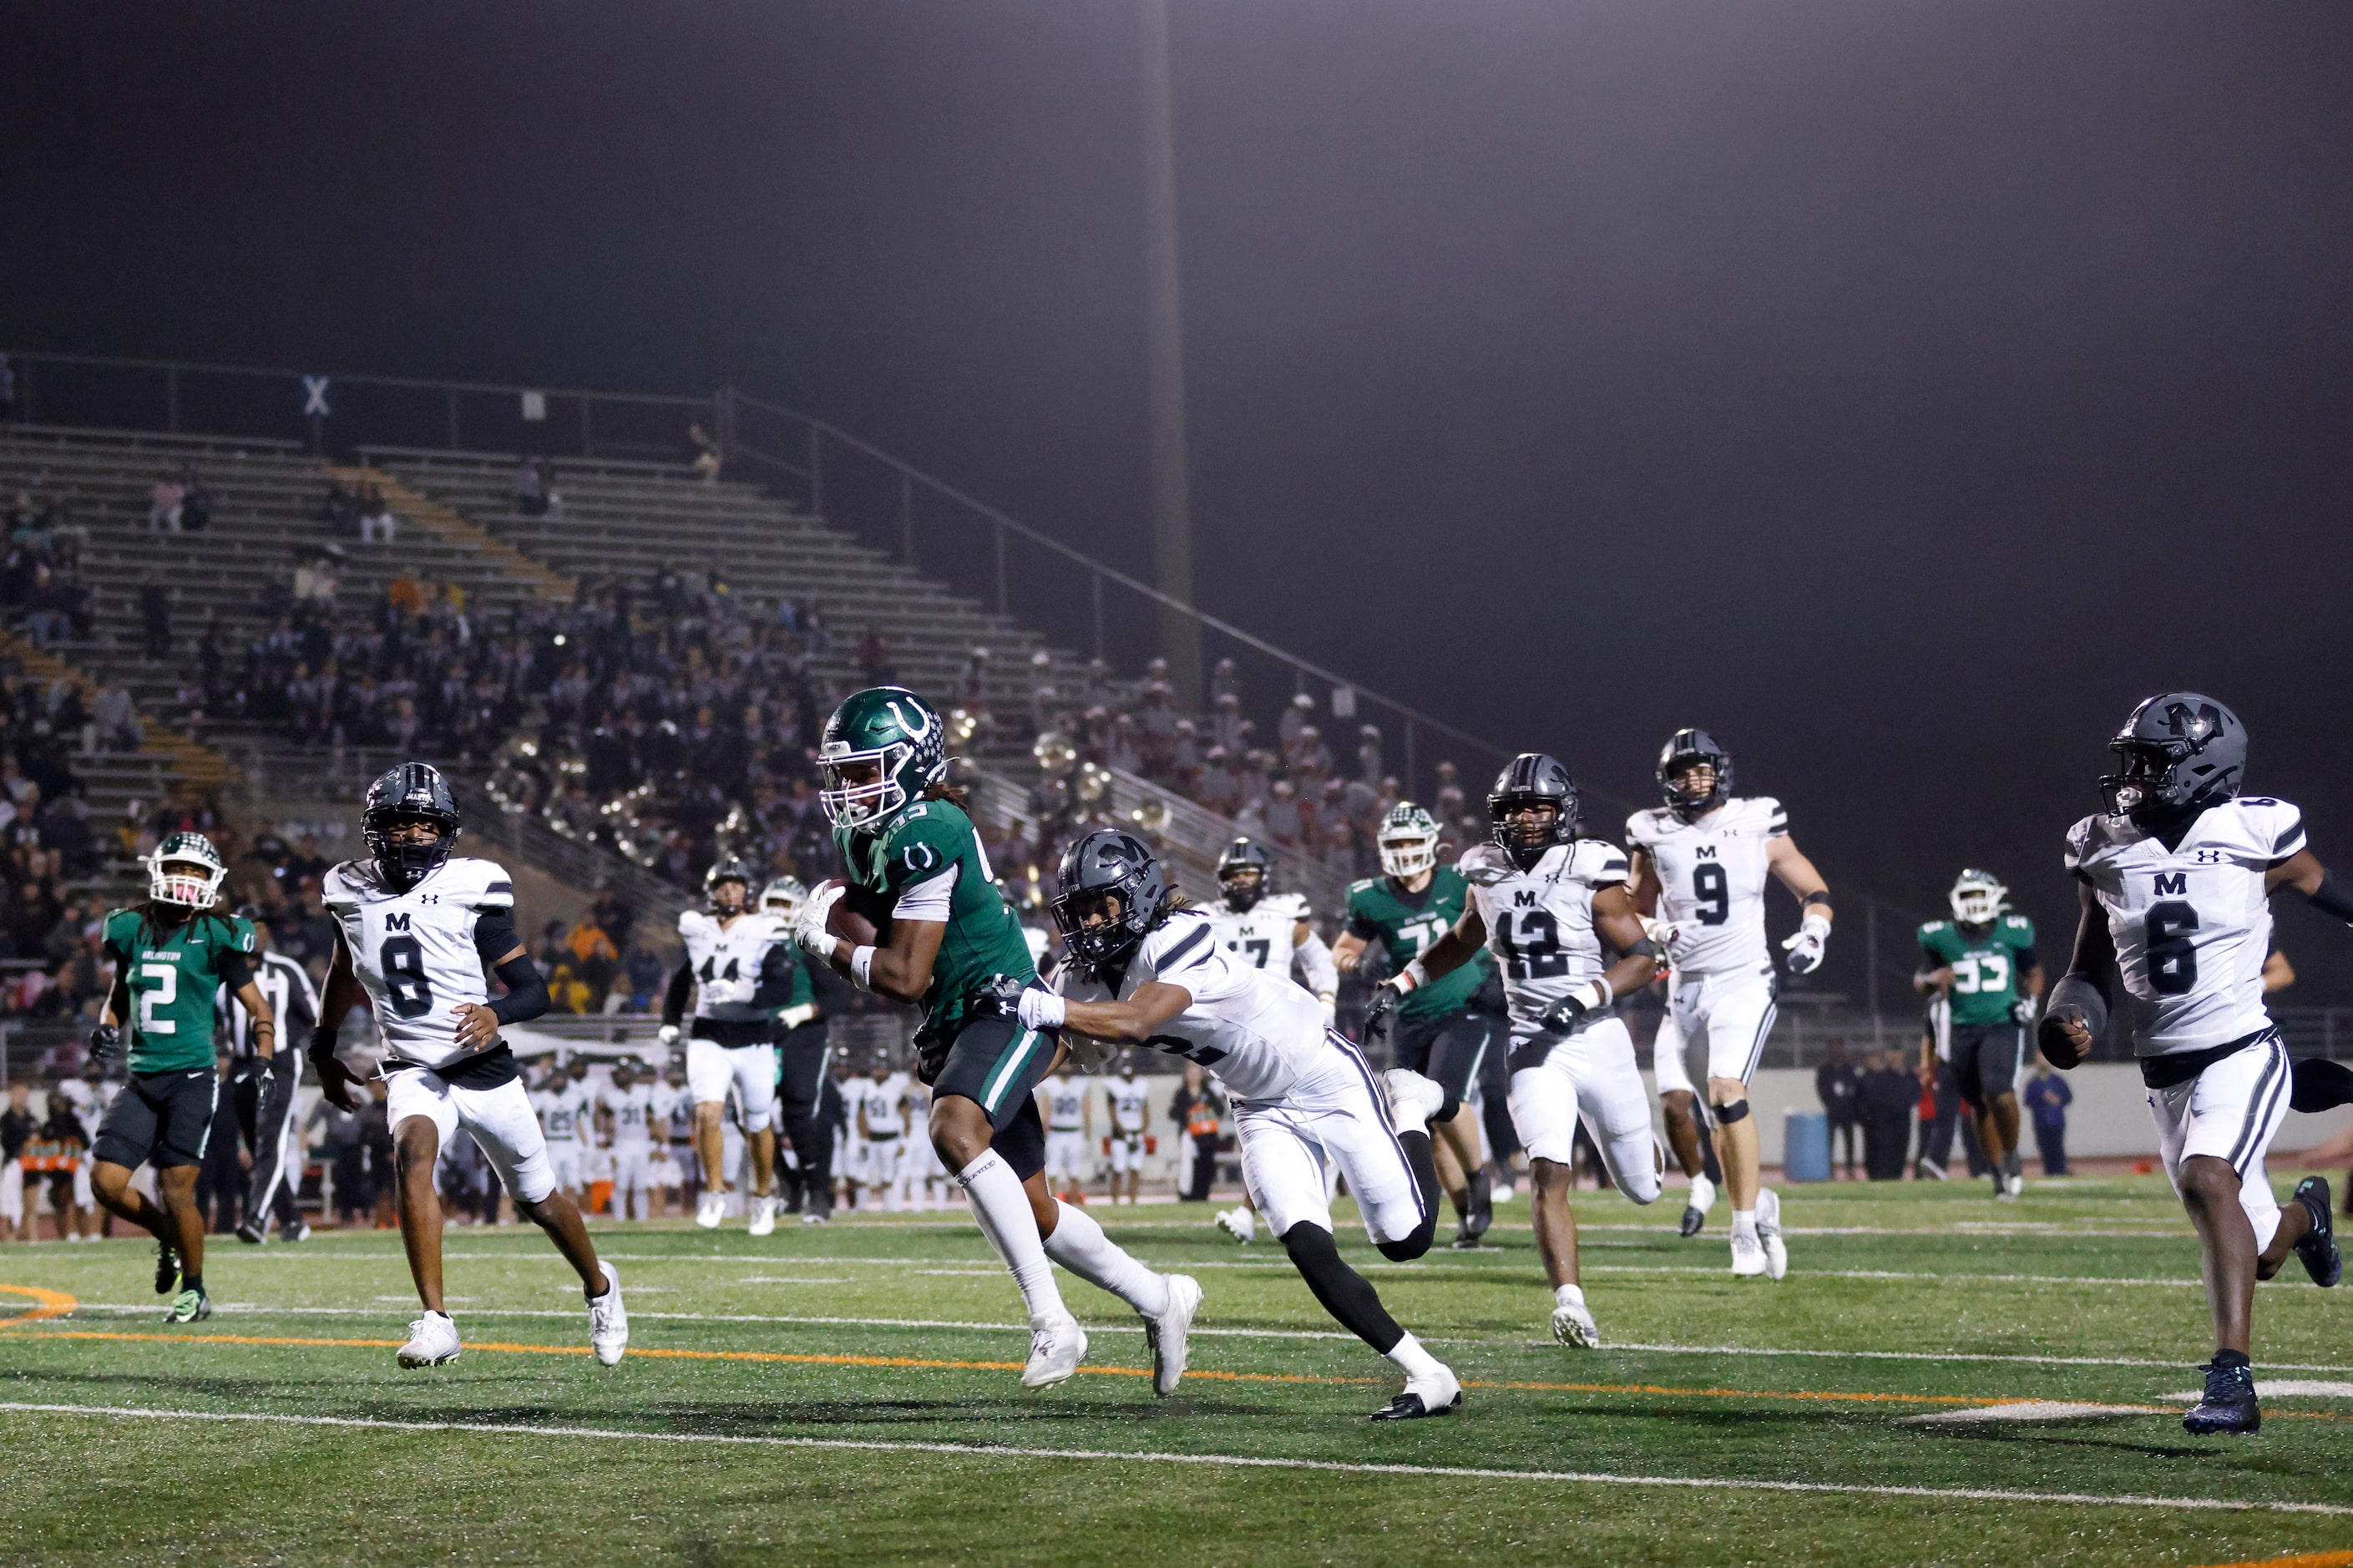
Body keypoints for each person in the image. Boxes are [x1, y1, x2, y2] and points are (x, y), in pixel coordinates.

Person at [788, 685, 1197, 1392]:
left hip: (1006, 1006)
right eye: (844, 773)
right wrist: (843, 915)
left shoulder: (930, 829)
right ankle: (1161, 1297)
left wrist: (824, 944)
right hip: (954, 1020)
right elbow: (893, 947)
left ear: (913, 763)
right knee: (1035, 1212)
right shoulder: (865, 832)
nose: (851, 789)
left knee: (954, 1130)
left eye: (865, 770)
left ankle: (1053, 1322)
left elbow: (905, 974)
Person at [1020, 828, 1458, 1419]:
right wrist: (1001, 1075)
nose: (1094, 923)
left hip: (1323, 1071)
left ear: (1140, 895)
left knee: (1407, 1241)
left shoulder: (1181, 932)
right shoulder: (1079, 978)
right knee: (1306, 1243)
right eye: (1081, 911)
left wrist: (1043, 1006)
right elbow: (1068, 1046)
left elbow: (1138, 1019)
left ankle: (1410, 1106)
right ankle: (1429, 1373)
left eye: (1106, 905)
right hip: (1257, 1103)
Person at [2038, 694, 2343, 1435]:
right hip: (2164, 1074)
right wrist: (2064, 1022)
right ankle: (2308, 1214)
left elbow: (2325, 889)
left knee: (2210, 1181)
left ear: (2204, 766)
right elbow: (2088, 971)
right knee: (2260, 1251)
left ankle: (2231, 1382)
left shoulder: (2254, 829)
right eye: (2132, 761)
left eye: (2151, 761)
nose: (2134, 777)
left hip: (2243, 1048)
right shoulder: (2102, 844)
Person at [308, 762, 626, 1370]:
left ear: (446, 830)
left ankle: (600, 1287)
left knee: (539, 1201)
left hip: (481, 1065)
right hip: (411, 1066)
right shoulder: (346, 888)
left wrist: (495, 1013)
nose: (410, 836)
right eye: (399, 824)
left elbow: (535, 992)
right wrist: (322, 1049)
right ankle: (437, 1320)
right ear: (376, 829)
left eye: (424, 825)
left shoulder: (472, 885)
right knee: (412, 1154)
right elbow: (344, 969)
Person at [1364, 754, 1664, 1348]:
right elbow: (1462, 939)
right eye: (1516, 809)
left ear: (1562, 812)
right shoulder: (1484, 870)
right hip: (1532, 1043)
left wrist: (1584, 997)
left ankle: (1637, 1145)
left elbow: (1642, 957)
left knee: (1643, 1189)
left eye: (1539, 807)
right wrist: (1402, 984)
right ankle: (1570, 1302)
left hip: (1597, 1036)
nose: (1527, 819)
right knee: (1547, 1169)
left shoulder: (1590, 865)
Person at [1627, 729, 1829, 1276]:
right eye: (1682, 771)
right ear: (1666, 780)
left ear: (1720, 773)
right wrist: (1654, 931)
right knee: (1712, 1112)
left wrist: (1814, 933)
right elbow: (1634, 910)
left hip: (1743, 980)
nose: (1693, 780)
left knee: (1725, 1090)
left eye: (1702, 769)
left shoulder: (1758, 817)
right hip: (1685, 989)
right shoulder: (1650, 829)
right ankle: (1760, 1203)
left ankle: (1741, 1231)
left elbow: (1813, 889)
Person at [87, 832, 277, 1321]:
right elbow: (119, 995)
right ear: (157, 871)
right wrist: (107, 1027)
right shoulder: (129, 928)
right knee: (106, 1184)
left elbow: (257, 1006)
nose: (185, 878)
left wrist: (264, 1057)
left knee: (176, 1190)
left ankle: (195, 1290)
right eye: (177, 867)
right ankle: (167, 1235)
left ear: (211, 879)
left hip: (191, 1076)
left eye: (195, 870)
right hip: (141, 1077)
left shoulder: (218, 934)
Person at [1333, 802, 1505, 1248]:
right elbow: (1343, 949)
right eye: (1396, 844)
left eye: (1412, 841)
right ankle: (1468, 1214)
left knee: (1446, 1094)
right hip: (1409, 1015)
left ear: (1431, 842)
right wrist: (1356, 963)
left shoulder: (1458, 881)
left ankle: (1480, 1176)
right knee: (1422, 1124)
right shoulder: (1370, 896)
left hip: (1463, 1004)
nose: (1406, 851)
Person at [1201, 837, 1337, 1243]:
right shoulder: (1205, 917)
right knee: (1267, 1125)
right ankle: (1296, 1202)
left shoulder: (1284, 912)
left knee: (1266, 1123)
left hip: (1280, 1026)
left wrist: (1326, 1001)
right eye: (1234, 874)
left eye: (1249, 873)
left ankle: (1255, 1211)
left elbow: (1319, 960)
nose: (1242, 881)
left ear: (1264, 878)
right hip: (1230, 1034)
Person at [660, 859, 797, 1232]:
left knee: (758, 1121)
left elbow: (781, 988)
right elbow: (681, 979)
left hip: (753, 1036)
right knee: (707, 1112)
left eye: (736, 885)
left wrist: (745, 992)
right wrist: (670, 1021)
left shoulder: (763, 927)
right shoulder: (698, 928)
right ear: (712, 891)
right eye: (723, 885)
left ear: (747, 890)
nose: (730, 891)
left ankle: (764, 1197)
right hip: (708, 1035)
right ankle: (715, 1193)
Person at [1915, 870, 2043, 1200]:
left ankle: (2012, 1158)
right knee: (1979, 1105)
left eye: (1978, 895)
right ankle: (1997, 1173)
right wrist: (1933, 978)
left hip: (2001, 1023)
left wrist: (2030, 1001)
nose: (1973, 903)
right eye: (1967, 896)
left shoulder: (2013, 931)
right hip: (1962, 1029)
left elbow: (2033, 971)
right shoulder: (1940, 936)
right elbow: (1920, 980)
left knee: (1999, 1093)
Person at [760, 876, 846, 1223]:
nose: (778, 912)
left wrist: (799, 1013)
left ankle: (817, 1192)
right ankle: (789, 1183)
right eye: (773, 903)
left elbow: (838, 996)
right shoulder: (748, 942)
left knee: (800, 1113)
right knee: (749, 1116)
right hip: (759, 1036)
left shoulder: (807, 943)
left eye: (785, 905)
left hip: (803, 1037)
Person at [595, 1056, 664, 1222]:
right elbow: (608, 1124)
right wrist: (610, 1147)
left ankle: (642, 1219)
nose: (621, 1077)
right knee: (621, 1184)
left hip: (641, 1142)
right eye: (619, 1073)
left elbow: (651, 1119)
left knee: (641, 1185)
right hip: (621, 1143)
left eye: (624, 1073)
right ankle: (619, 1220)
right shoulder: (611, 1096)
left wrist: (656, 1144)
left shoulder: (644, 1092)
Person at [858, 1060, 912, 1211]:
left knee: (888, 1175)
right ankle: (861, 1207)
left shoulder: (895, 1088)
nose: (879, 1072)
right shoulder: (867, 1087)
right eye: (876, 1069)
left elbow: (906, 1116)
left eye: (882, 1069)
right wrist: (863, 1139)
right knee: (862, 1174)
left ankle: (889, 1207)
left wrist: (904, 1142)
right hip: (872, 1138)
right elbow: (861, 1115)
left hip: (890, 1139)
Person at [1040, 1060, 1090, 1204]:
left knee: (1074, 1172)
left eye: (1068, 1064)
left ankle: (1073, 1203)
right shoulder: (1050, 1084)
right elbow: (1045, 1111)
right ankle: (1053, 1202)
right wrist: (1045, 1132)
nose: (1066, 1067)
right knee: (1052, 1171)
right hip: (1056, 1132)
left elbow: (1086, 1110)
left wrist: (1087, 1133)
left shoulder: (1081, 1084)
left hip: (1075, 1132)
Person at [1104, 1057, 1150, 1205]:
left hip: (1136, 1132)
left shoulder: (1140, 1086)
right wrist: (1120, 1129)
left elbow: (1145, 1109)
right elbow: (1111, 1110)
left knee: (1135, 1168)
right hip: (1120, 1134)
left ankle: (1133, 1199)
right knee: (1118, 1168)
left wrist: (1143, 1128)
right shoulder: (1114, 1086)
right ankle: (1115, 1199)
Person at [1814, 1039, 1861, 1180]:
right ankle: (1829, 1169)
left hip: (1847, 1110)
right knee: (1830, 1141)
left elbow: (1854, 1087)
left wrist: (1849, 1101)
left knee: (1849, 1140)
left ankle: (1850, 1168)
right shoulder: (1825, 1069)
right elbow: (1821, 1089)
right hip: (1832, 1111)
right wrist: (1830, 1103)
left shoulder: (1848, 1068)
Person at [2022, 1060, 2072, 1176]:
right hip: (2041, 1121)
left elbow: (2068, 1097)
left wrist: (2058, 1100)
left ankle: (2060, 1170)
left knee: (2057, 1147)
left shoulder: (2058, 1081)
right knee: (2044, 1148)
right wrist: (2041, 1098)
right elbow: (2028, 1101)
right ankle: (2049, 1171)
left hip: (2057, 1121)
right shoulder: (2033, 1083)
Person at [1, 1081, 36, 1241]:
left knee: (30, 1203)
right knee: (10, 1200)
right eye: (19, 1094)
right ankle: (11, 1235)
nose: (22, 1098)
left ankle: (33, 1237)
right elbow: (6, 1142)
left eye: (24, 1095)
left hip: (31, 1165)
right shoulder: (6, 1120)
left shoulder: (31, 1119)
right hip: (13, 1162)